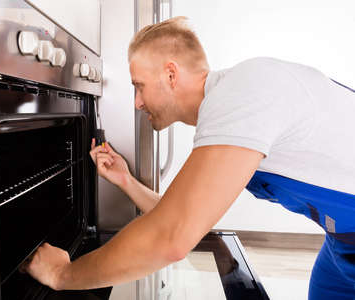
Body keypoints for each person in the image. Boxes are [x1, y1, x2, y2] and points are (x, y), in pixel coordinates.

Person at [25, 16, 355, 299]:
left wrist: (61, 275)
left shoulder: (243, 94)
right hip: (343, 246)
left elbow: (171, 237)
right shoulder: (233, 108)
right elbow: (188, 219)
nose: (137, 102)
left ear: (170, 74)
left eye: (139, 85)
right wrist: (125, 180)